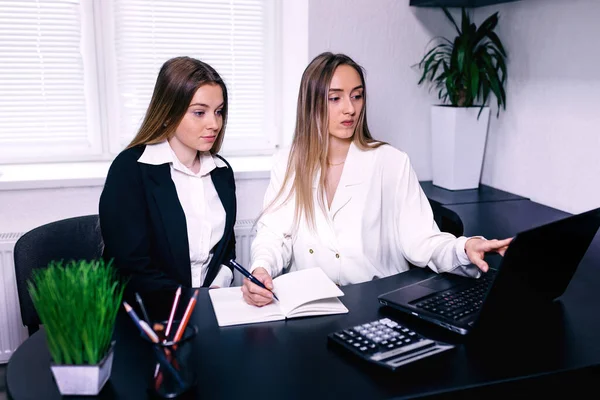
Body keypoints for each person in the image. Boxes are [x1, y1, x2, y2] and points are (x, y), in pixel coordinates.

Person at [242, 52, 512, 307]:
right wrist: (261, 268)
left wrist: (463, 247)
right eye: (335, 98)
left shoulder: (391, 162)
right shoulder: (289, 163)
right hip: (311, 308)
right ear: (311, 103)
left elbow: (424, 241)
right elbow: (274, 233)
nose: (350, 109)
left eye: (357, 96)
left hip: (376, 305)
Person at [99, 56, 236, 295]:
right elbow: (131, 268)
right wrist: (191, 302)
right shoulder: (130, 169)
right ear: (168, 112)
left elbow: (226, 252)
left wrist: (217, 287)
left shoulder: (221, 172)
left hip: (210, 306)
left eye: (218, 111)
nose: (214, 123)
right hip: (151, 314)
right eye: (199, 112)